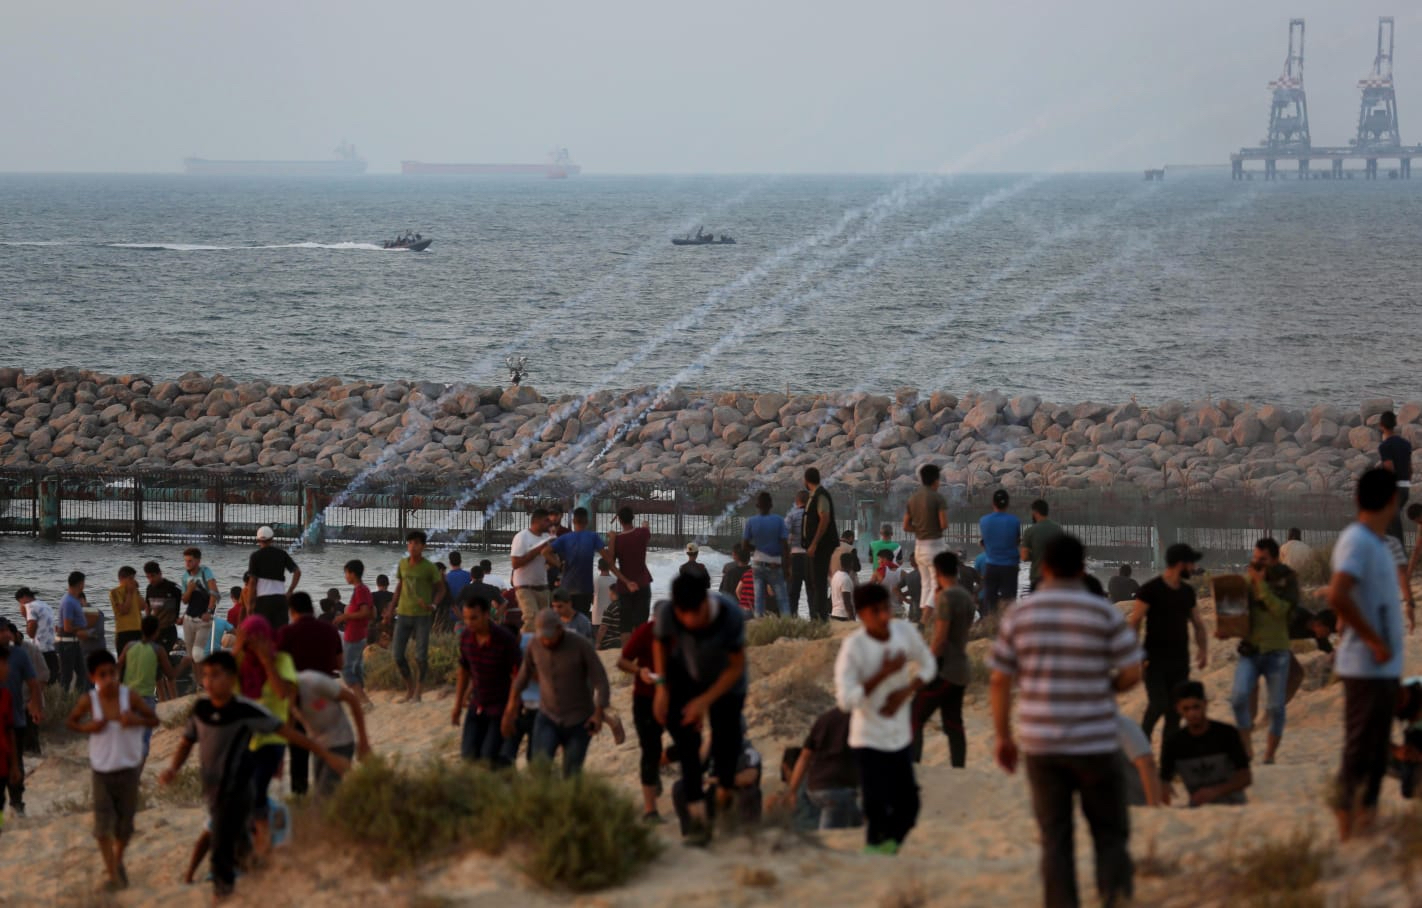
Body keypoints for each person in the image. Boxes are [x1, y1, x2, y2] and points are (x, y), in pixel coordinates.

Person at [990, 533, 1141, 908]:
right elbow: (1133, 672)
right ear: (1082, 566)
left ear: (1044, 567)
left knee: (1055, 838)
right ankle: (1115, 900)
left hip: (1042, 745)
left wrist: (1002, 737)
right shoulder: (1103, 612)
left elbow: (999, 679)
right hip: (1096, 743)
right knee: (1109, 833)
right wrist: (1105, 687)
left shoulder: (1020, 615)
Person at [161, 651, 347, 900]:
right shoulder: (200, 709)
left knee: (220, 847)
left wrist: (326, 754)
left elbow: (287, 733)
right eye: (205, 675)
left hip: (238, 789)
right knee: (241, 847)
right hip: (213, 790)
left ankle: (221, 895)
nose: (209, 681)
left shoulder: (245, 710)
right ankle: (268, 884)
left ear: (231, 678)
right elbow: (186, 743)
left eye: (216, 675)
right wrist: (173, 768)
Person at [1327, 468, 1407, 841]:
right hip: (1365, 665)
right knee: (1359, 752)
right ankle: (1347, 831)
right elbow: (1338, 594)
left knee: (1376, 754)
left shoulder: (1378, 544)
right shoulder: (1356, 541)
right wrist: (1374, 640)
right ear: (1394, 501)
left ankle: (1366, 826)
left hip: (1383, 668)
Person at [835, 582, 935, 855]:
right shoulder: (853, 647)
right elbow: (845, 700)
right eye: (876, 611)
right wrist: (882, 673)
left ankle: (885, 851)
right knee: (875, 808)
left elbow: (928, 664)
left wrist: (906, 691)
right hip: (867, 738)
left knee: (910, 807)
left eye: (887, 609)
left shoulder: (904, 631)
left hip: (899, 736)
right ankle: (876, 859)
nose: (884, 617)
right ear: (862, 615)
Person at [653, 573, 749, 846]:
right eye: (684, 615)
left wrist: (704, 702)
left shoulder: (730, 614)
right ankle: (697, 820)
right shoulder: (669, 612)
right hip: (689, 673)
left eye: (696, 613)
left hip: (728, 684)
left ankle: (724, 797)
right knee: (688, 742)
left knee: (724, 745)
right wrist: (662, 687)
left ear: (705, 603)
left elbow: (736, 667)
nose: (690, 621)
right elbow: (659, 642)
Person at [65, 649, 158, 891]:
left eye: (111, 673)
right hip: (101, 771)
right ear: (93, 677)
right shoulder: (90, 700)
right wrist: (90, 727)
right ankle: (114, 875)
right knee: (101, 829)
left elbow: (154, 720)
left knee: (124, 829)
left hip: (128, 769)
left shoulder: (131, 697)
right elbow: (71, 722)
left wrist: (135, 721)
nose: (108, 679)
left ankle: (117, 865)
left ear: (117, 673)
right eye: (102, 675)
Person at [502, 609, 609, 777]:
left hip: (579, 718)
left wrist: (598, 713)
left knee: (571, 771)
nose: (546, 641)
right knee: (540, 768)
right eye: (542, 636)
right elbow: (521, 680)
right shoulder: (534, 645)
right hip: (547, 716)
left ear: (560, 629)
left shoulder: (581, 645)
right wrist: (510, 710)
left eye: (549, 636)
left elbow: (601, 681)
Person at [1228, 538, 1299, 764]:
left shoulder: (1287, 579)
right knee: (1239, 698)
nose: (1257, 564)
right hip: (1251, 650)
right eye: (1255, 559)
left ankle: (1269, 754)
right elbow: (1237, 612)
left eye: (1263, 560)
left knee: (1276, 707)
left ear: (1275, 560)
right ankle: (1247, 744)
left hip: (1277, 651)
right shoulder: (1249, 580)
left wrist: (1262, 588)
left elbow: (1282, 611)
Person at [1129, 543, 1209, 740]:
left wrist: (1203, 650)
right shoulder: (1150, 589)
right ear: (1181, 564)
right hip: (1154, 661)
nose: (1193, 569)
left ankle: (1167, 762)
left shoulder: (1187, 592)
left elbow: (1198, 623)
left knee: (1174, 713)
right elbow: (1135, 621)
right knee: (1158, 704)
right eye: (1191, 564)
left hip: (1180, 662)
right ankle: (1141, 747)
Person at [233, 615, 298, 857]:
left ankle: (265, 842)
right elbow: (219, 685)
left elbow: (283, 693)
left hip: (273, 738)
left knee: (256, 790)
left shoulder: (281, 660)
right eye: (250, 639)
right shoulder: (239, 662)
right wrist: (237, 647)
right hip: (244, 737)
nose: (254, 643)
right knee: (243, 792)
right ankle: (258, 838)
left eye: (257, 638)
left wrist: (265, 660)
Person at [913, 552, 974, 766]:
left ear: (936, 571)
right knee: (953, 722)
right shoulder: (964, 595)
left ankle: (915, 766)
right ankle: (959, 766)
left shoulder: (947, 598)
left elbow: (940, 640)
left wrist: (927, 667)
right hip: (961, 666)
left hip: (944, 667)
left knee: (914, 716)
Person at [452, 595, 523, 765]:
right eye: (466, 618)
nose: (469, 623)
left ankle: (506, 775)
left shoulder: (505, 639)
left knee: (488, 757)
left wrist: (511, 711)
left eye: (474, 618)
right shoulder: (466, 637)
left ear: (487, 615)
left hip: (500, 706)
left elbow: (517, 677)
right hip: (477, 704)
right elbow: (464, 671)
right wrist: (457, 705)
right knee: (468, 756)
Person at [1159, 681, 1251, 807]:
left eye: (1196, 707)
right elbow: (1163, 781)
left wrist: (1215, 792)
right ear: (1178, 709)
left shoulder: (1227, 734)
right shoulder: (1173, 743)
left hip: (1233, 806)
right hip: (1198, 809)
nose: (1192, 713)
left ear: (1205, 704)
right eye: (1186, 709)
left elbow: (1245, 777)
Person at [780, 706, 862, 829]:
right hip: (838, 787)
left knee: (855, 819)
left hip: (817, 787)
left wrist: (792, 791)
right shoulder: (861, 720)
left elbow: (804, 757)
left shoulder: (825, 719)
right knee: (832, 830)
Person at [618, 613, 665, 822]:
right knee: (650, 748)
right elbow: (622, 661)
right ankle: (650, 811)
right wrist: (640, 671)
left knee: (688, 744)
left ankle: (659, 765)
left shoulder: (684, 631)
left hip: (676, 697)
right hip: (646, 697)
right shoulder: (646, 631)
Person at [294, 670, 370, 796]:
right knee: (324, 795)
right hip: (319, 748)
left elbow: (352, 699)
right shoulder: (280, 698)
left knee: (324, 798)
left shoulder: (314, 682)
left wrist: (363, 741)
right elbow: (289, 732)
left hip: (341, 741)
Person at [391, 530, 444, 704]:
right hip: (403, 614)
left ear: (423, 546)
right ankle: (410, 689)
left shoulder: (429, 567)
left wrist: (433, 605)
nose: (413, 546)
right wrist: (391, 607)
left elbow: (441, 589)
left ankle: (418, 693)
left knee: (421, 656)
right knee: (397, 655)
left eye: (417, 543)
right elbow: (399, 587)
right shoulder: (402, 564)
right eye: (410, 543)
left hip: (423, 616)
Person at [116, 616, 177, 761]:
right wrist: (184, 664)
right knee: (143, 742)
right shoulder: (158, 650)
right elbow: (170, 675)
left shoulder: (129, 646)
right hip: (145, 700)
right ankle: (136, 773)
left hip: (127, 697)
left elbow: (117, 667)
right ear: (156, 633)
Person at [0, 623, 41, 818]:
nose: (6, 634)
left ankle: (17, 804)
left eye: (6, 630)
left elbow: (34, 683)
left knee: (15, 763)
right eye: (1, 631)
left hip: (15, 717)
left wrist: (35, 705)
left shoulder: (19, 654)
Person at [904, 464, 949, 617]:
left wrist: (920, 528)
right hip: (934, 546)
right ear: (935, 480)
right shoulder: (938, 498)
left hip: (919, 547)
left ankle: (925, 619)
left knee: (926, 585)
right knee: (937, 585)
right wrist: (931, 527)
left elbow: (905, 526)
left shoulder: (912, 499)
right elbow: (944, 524)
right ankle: (925, 621)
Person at [330, 560, 373, 705]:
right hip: (358, 634)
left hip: (355, 635)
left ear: (353, 574)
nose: (345, 576)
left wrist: (345, 616)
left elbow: (365, 612)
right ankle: (362, 700)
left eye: (346, 573)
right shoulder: (362, 589)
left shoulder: (360, 590)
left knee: (347, 671)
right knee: (356, 668)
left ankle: (364, 700)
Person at [550, 507, 605, 619]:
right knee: (582, 618)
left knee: (566, 619)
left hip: (567, 587)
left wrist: (559, 565)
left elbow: (545, 551)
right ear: (587, 521)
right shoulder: (593, 537)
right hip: (585, 588)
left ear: (574, 521)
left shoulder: (565, 537)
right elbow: (607, 556)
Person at [744, 492, 792, 618]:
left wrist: (758, 549)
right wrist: (787, 568)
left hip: (758, 564)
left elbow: (745, 545)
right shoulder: (779, 521)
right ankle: (787, 626)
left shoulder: (751, 521)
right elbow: (785, 546)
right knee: (782, 599)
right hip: (774, 564)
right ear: (771, 505)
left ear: (757, 506)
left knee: (759, 600)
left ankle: (759, 626)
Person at [607, 505, 654, 634]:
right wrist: (645, 523)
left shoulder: (617, 540)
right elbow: (646, 527)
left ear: (619, 520)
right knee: (642, 624)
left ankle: (627, 653)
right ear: (633, 518)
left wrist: (611, 538)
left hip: (624, 587)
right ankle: (641, 652)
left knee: (625, 627)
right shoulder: (642, 533)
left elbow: (610, 564)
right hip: (643, 583)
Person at [245, 526, 301, 630]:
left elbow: (252, 582)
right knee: (281, 633)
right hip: (280, 599)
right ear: (272, 539)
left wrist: (249, 604)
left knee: (263, 633)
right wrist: (290, 591)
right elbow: (297, 572)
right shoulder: (282, 554)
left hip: (263, 601)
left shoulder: (255, 556)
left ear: (258, 540)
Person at [802, 468, 838, 622]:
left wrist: (814, 543)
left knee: (819, 581)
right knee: (815, 580)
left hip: (821, 546)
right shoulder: (814, 495)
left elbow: (824, 519)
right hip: (816, 546)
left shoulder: (820, 495)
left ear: (806, 480)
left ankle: (820, 617)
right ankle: (817, 615)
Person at [979, 490, 1021, 616]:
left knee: (990, 601)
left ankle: (990, 627)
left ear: (993, 503)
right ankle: (1008, 628)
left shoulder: (984, 520)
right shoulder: (1014, 521)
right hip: (1010, 567)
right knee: (1009, 602)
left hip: (991, 566)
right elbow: (1016, 540)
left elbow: (985, 541)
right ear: (1008, 503)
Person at [511, 508, 558, 617]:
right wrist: (539, 549)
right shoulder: (522, 537)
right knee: (531, 619)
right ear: (537, 521)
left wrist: (554, 550)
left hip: (543, 587)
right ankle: (525, 634)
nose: (550, 523)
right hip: (524, 587)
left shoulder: (547, 537)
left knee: (544, 621)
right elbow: (515, 563)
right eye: (546, 520)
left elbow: (553, 561)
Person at [179, 547, 220, 662]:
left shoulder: (206, 572)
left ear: (198, 561)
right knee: (191, 656)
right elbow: (185, 600)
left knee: (197, 654)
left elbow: (214, 593)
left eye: (190, 561)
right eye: (185, 561)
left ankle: (204, 679)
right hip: (189, 618)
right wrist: (190, 590)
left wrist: (209, 612)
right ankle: (198, 680)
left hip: (203, 619)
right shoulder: (185, 577)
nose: (187, 563)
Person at [1116, 712, 1163, 807]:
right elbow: (1147, 764)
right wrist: (1154, 807)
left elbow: (1147, 764)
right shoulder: (1122, 724)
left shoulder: (1122, 725)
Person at [1380, 411, 1413, 546]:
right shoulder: (1406, 444)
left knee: (1391, 520)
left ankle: (1400, 556)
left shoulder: (1385, 446)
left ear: (1381, 425)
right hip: (1405, 487)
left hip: (1395, 487)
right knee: (1389, 520)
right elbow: (1410, 469)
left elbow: (1389, 468)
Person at [1020, 499, 1065, 593]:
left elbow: (1024, 557)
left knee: (1038, 606)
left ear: (1035, 512)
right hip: (1054, 577)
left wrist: (1035, 555)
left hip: (1037, 577)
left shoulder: (1029, 532)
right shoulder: (1058, 529)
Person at [58, 570, 92, 692]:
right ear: (80, 584)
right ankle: (63, 703)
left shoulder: (74, 600)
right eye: (84, 582)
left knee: (82, 673)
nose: (84, 585)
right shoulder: (68, 601)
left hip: (75, 642)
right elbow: (67, 627)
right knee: (67, 676)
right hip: (68, 643)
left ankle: (76, 700)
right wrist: (83, 627)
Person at [17, 589, 58, 684]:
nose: (21, 605)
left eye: (20, 602)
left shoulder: (30, 606)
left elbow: (31, 627)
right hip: (51, 645)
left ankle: (44, 694)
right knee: (53, 671)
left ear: (23, 598)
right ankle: (51, 693)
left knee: (40, 674)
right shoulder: (45, 605)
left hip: (40, 646)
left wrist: (25, 617)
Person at [142, 562, 182, 659]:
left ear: (160, 573)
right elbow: (147, 606)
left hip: (168, 630)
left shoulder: (173, 587)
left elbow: (190, 599)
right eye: (148, 577)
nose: (150, 580)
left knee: (162, 656)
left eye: (153, 576)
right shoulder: (149, 588)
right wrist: (147, 623)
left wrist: (183, 617)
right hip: (154, 631)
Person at [109, 566, 145, 656]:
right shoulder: (115, 592)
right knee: (124, 662)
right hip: (124, 632)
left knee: (137, 662)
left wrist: (136, 590)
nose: (132, 581)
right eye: (130, 578)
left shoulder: (134, 591)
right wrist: (129, 593)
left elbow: (143, 606)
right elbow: (124, 610)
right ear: (121, 578)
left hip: (137, 630)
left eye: (133, 578)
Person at [786, 490, 810, 617]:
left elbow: (784, 536)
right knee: (811, 590)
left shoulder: (792, 515)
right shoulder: (815, 515)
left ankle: (792, 617)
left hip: (795, 557)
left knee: (793, 591)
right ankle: (814, 617)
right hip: (811, 557)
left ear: (797, 501)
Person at [0, 649, 16, 830]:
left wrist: (14, 765)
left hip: (2, 763)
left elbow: (10, 730)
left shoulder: (6, 696)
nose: (7, 669)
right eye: (3, 664)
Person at [872, 550, 908, 618]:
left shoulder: (878, 572)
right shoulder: (901, 572)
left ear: (884, 559)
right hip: (898, 608)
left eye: (878, 559)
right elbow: (913, 583)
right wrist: (904, 595)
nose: (878, 561)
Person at [592, 558, 618, 649]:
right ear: (610, 567)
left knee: (598, 643)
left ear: (599, 567)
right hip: (611, 616)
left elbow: (592, 597)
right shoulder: (615, 580)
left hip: (596, 616)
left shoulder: (595, 580)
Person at [444, 551, 472, 618]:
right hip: (467, 613)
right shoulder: (469, 575)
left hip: (451, 613)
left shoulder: (446, 577)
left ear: (450, 563)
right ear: (461, 561)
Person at [830, 553, 856, 621]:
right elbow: (847, 601)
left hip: (834, 613)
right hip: (843, 616)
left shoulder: (836, 575)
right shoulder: (846, 579)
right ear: (851, 563)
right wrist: (852, 618)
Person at [370, 574, 393, 646]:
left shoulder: (372, 595)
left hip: (376, 624)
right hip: (390, 624)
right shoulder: (393, 595)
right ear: (388, 584)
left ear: (377, 584)